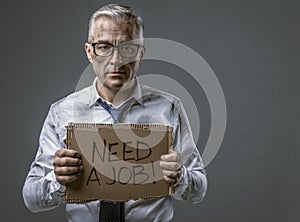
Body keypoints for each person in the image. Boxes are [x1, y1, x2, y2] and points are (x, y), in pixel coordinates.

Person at [22, 3, 207, 222]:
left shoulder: (169, 108)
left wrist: (180, 176)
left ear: (140, 54)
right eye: (104, 46)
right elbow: (31, 199)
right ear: (90, 52)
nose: (116, 60)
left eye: (128, 48)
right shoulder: (62, 113)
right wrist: (58, 179)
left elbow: (199, 191)